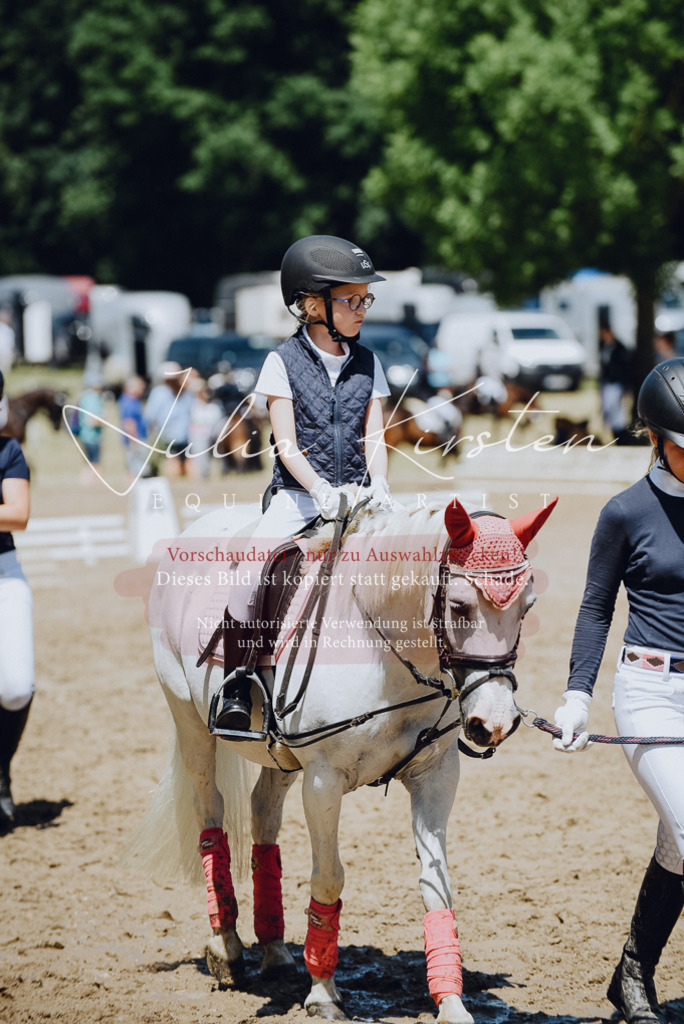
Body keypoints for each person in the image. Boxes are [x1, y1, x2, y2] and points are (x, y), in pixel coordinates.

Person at [214, 234, 394, 732]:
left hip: (359, 496)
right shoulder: (281, 362)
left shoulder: (369, 362)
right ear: (313, 304)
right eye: (351, 300)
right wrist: (317, 489)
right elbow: (287, 444)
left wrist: (378, 482)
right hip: (298, 498)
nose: (362, 309)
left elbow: (373, 432)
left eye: (365, 299)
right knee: (251, 568)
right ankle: (236, 681)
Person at [553, 357, 684, 1024]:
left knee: (678, 839)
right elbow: (595, 609)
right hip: (650, 692)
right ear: (658, 440)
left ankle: (632, 975)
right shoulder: (626, 512)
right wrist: (578, 693)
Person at [0, 370, 33, 831]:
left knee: (15, 687)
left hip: (3, 571)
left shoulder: (7, 450)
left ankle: (1, 773)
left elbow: (18, 514)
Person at [144, 362, 194, 478]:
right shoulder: (186, 391)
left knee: (172, 460)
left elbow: (150, 415)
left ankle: (177, 485)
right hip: (185, 433)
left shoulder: (159, 392)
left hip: (167, 433)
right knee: (187, 460)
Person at [599, 323, 633, 442]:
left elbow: (625, 368)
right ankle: (613, 434)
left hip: (617, 383)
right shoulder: (605, 347)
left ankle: (621, 437)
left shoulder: (619, 348)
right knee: (608, 410)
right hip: (608, 383)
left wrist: (625, 386)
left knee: (618, 411)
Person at [118, 375, 148, 478]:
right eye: (140, 386)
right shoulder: (129, 402)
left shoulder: (133, 400)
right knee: (136, 469)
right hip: (135, 439)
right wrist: (134, 441)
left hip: (136, 439)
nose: (142, 389)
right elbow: (129, 423)